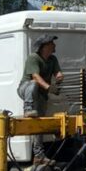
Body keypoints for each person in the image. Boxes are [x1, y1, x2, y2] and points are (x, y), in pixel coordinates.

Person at [17, 35, 64, 163]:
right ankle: (28, 108)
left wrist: (59, 76)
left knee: (39, 125)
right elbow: (35, 76)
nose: (54, 45)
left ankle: (39, 155)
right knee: (34, 83)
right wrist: (49, 87)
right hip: (26, 90)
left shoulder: (52, 59)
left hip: (41, 95)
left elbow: (57, 73)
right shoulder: (33, 58)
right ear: (45, 46)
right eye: (52, 43)